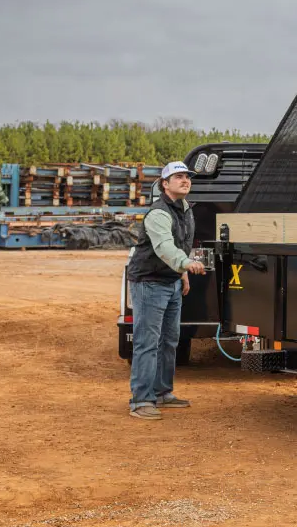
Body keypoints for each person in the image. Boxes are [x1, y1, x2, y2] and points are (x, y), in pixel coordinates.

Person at [125, 161, 206, 420]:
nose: (185, 180)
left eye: (187, 177)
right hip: (149, 282)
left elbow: (180, 246)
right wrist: (186, 264)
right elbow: (164, 248)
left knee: (169, 340)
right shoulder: (158, 213)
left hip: (170, 282)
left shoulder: (185, 210)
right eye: (178, 177)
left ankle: (162, 393)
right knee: (147, 342)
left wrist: (181, 274)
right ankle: (141, 400)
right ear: (165, 183)